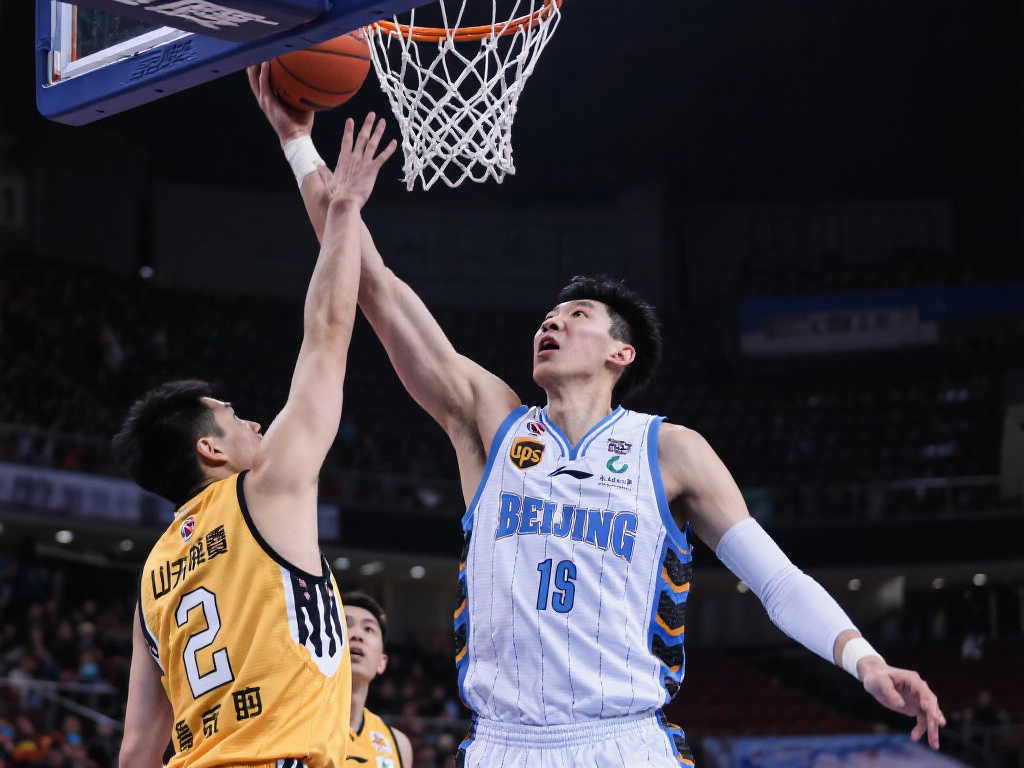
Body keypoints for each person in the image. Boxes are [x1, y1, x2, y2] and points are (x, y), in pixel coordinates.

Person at [249, 64, 946, 767]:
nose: (551, 323)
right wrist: (299, 146)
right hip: (502, 745)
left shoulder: (670, 451)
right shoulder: (491, 421)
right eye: (548, 317)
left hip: (620, 741)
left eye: (576, 314)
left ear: (621, 352)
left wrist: (863, 660)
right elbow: (373, 285)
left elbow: (777, 580)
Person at [114, 114, 396, 768]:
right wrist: (342, 208)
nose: (256, 426)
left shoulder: (153, 576)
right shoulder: (264, 491)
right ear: (209, 450)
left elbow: (136, 749)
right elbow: (327, 334)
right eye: (235, 417)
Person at [343, 591, 414, 767]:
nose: (357, 635)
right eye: (344, 623)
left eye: (368, 629)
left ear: (382, 662)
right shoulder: (294, 725)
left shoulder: (398, 745)